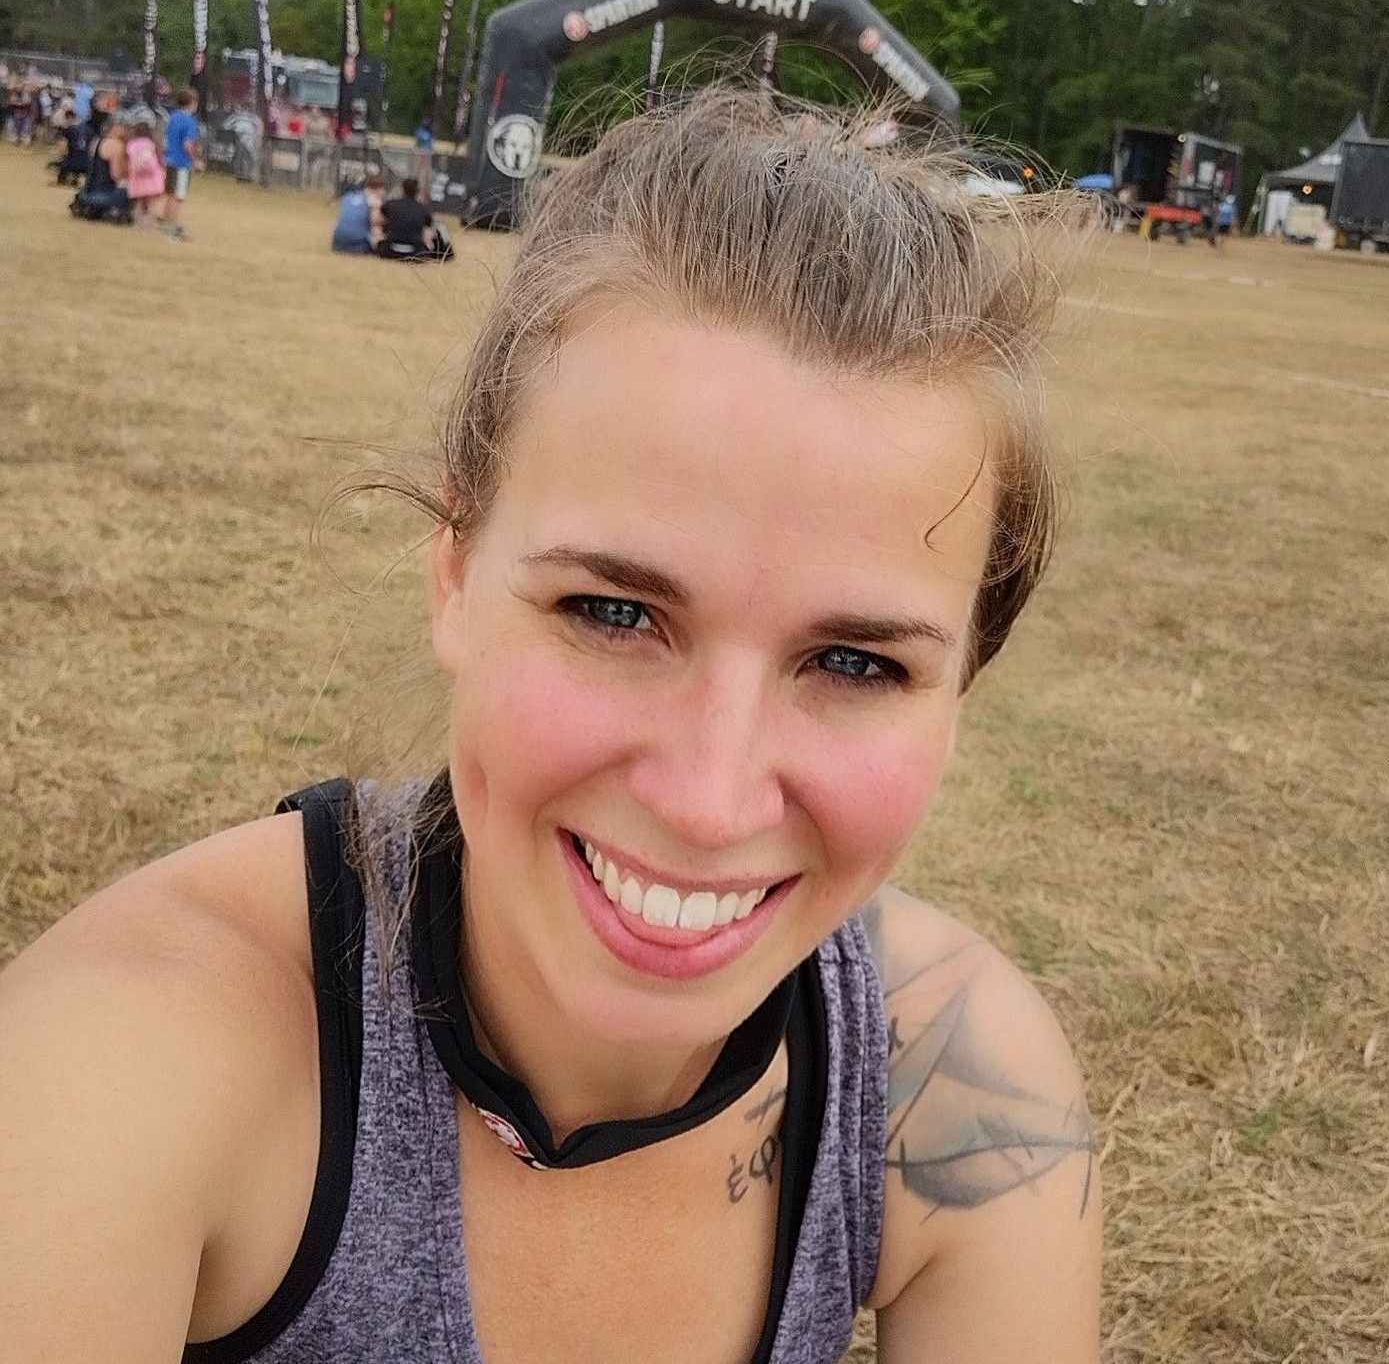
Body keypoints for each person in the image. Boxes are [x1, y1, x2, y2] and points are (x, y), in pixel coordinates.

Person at [0, 88, 1100, 1362]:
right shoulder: (121, 1061)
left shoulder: (948, 1076)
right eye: (615, 613)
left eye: (854, 661)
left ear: (962, 684)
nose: (707, 796)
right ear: (454, 576)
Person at [376, 175, 453, 261]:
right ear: (417, 191)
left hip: (390, 251)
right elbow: (430, 228)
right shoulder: (422, 209)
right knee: (440, 228)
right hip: (416, 252)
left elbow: (378, 221)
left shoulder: (389, 205)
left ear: (402, 190)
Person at [162, 88, 204, 238]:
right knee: (178, 196)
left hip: (170, 159)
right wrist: (196, 160)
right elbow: (188, 144)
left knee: (170, 194)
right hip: (181, 162)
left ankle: (166, 223)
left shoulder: (172, 117)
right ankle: (171, 226)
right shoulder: (189, 120)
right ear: (191, 103)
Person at [331, 172, 387, 254]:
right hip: (358, 245)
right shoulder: (374, 199)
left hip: (337, 242)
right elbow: (375, 222)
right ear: (379, 189)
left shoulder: (348, 196)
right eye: (383, 189)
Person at [124, 120, 166, 228]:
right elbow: (159, 158)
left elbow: (127, 159)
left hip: (137, 177)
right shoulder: (151, 143)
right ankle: (151, 223)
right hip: (152, 177)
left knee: (139, 202)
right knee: (153, 201)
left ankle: (137, 223)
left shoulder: (131, 144)